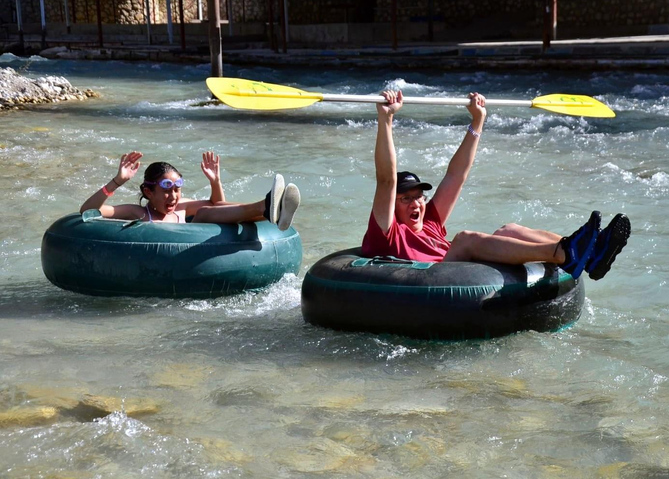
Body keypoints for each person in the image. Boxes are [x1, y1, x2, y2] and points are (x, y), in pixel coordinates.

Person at [361, 89, 630, 280]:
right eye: (405, 199)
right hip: (434, 280)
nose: (416, 203)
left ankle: (592, 253)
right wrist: (386, 120)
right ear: (392, 208)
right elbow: (386, 180)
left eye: (419, 196)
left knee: (509, 229)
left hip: (464, 271)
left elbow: (457, 174)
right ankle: (564, 252)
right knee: (465, 239)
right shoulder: (387, 233)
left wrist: (477, 120)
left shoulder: (430, 220)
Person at [79, 151, 300, 231]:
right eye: (166, 190)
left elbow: (217, 205)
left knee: (208, 208)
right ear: (148, 192)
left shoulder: (181, 207)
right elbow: (88, 210)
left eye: (177, 189)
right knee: (203, 213)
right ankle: (267, 206)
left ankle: (269, 209)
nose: (173, 196)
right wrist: (117, 181)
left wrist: (216, 181)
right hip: (170, 262)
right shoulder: (137, 213)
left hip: (193, 252)